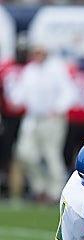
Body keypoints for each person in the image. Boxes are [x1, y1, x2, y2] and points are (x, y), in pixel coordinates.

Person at [10, 44, 77, 203]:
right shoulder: (30, 70)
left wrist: (58, 108)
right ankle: (39, 187)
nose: (37, 55)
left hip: (52, 118)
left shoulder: (56, 68)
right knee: (25, 153)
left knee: (51, 154)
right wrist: (15, 99)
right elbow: (19, 94)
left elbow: (69, 91)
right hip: (33, 118)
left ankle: (56, 192)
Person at [0, 32, 28, 198]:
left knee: (26, 151)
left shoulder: (32, 68)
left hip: (27, 117)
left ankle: (24, 183)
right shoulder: (6, 67)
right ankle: (5, 181)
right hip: (8, 116)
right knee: (6, 149)